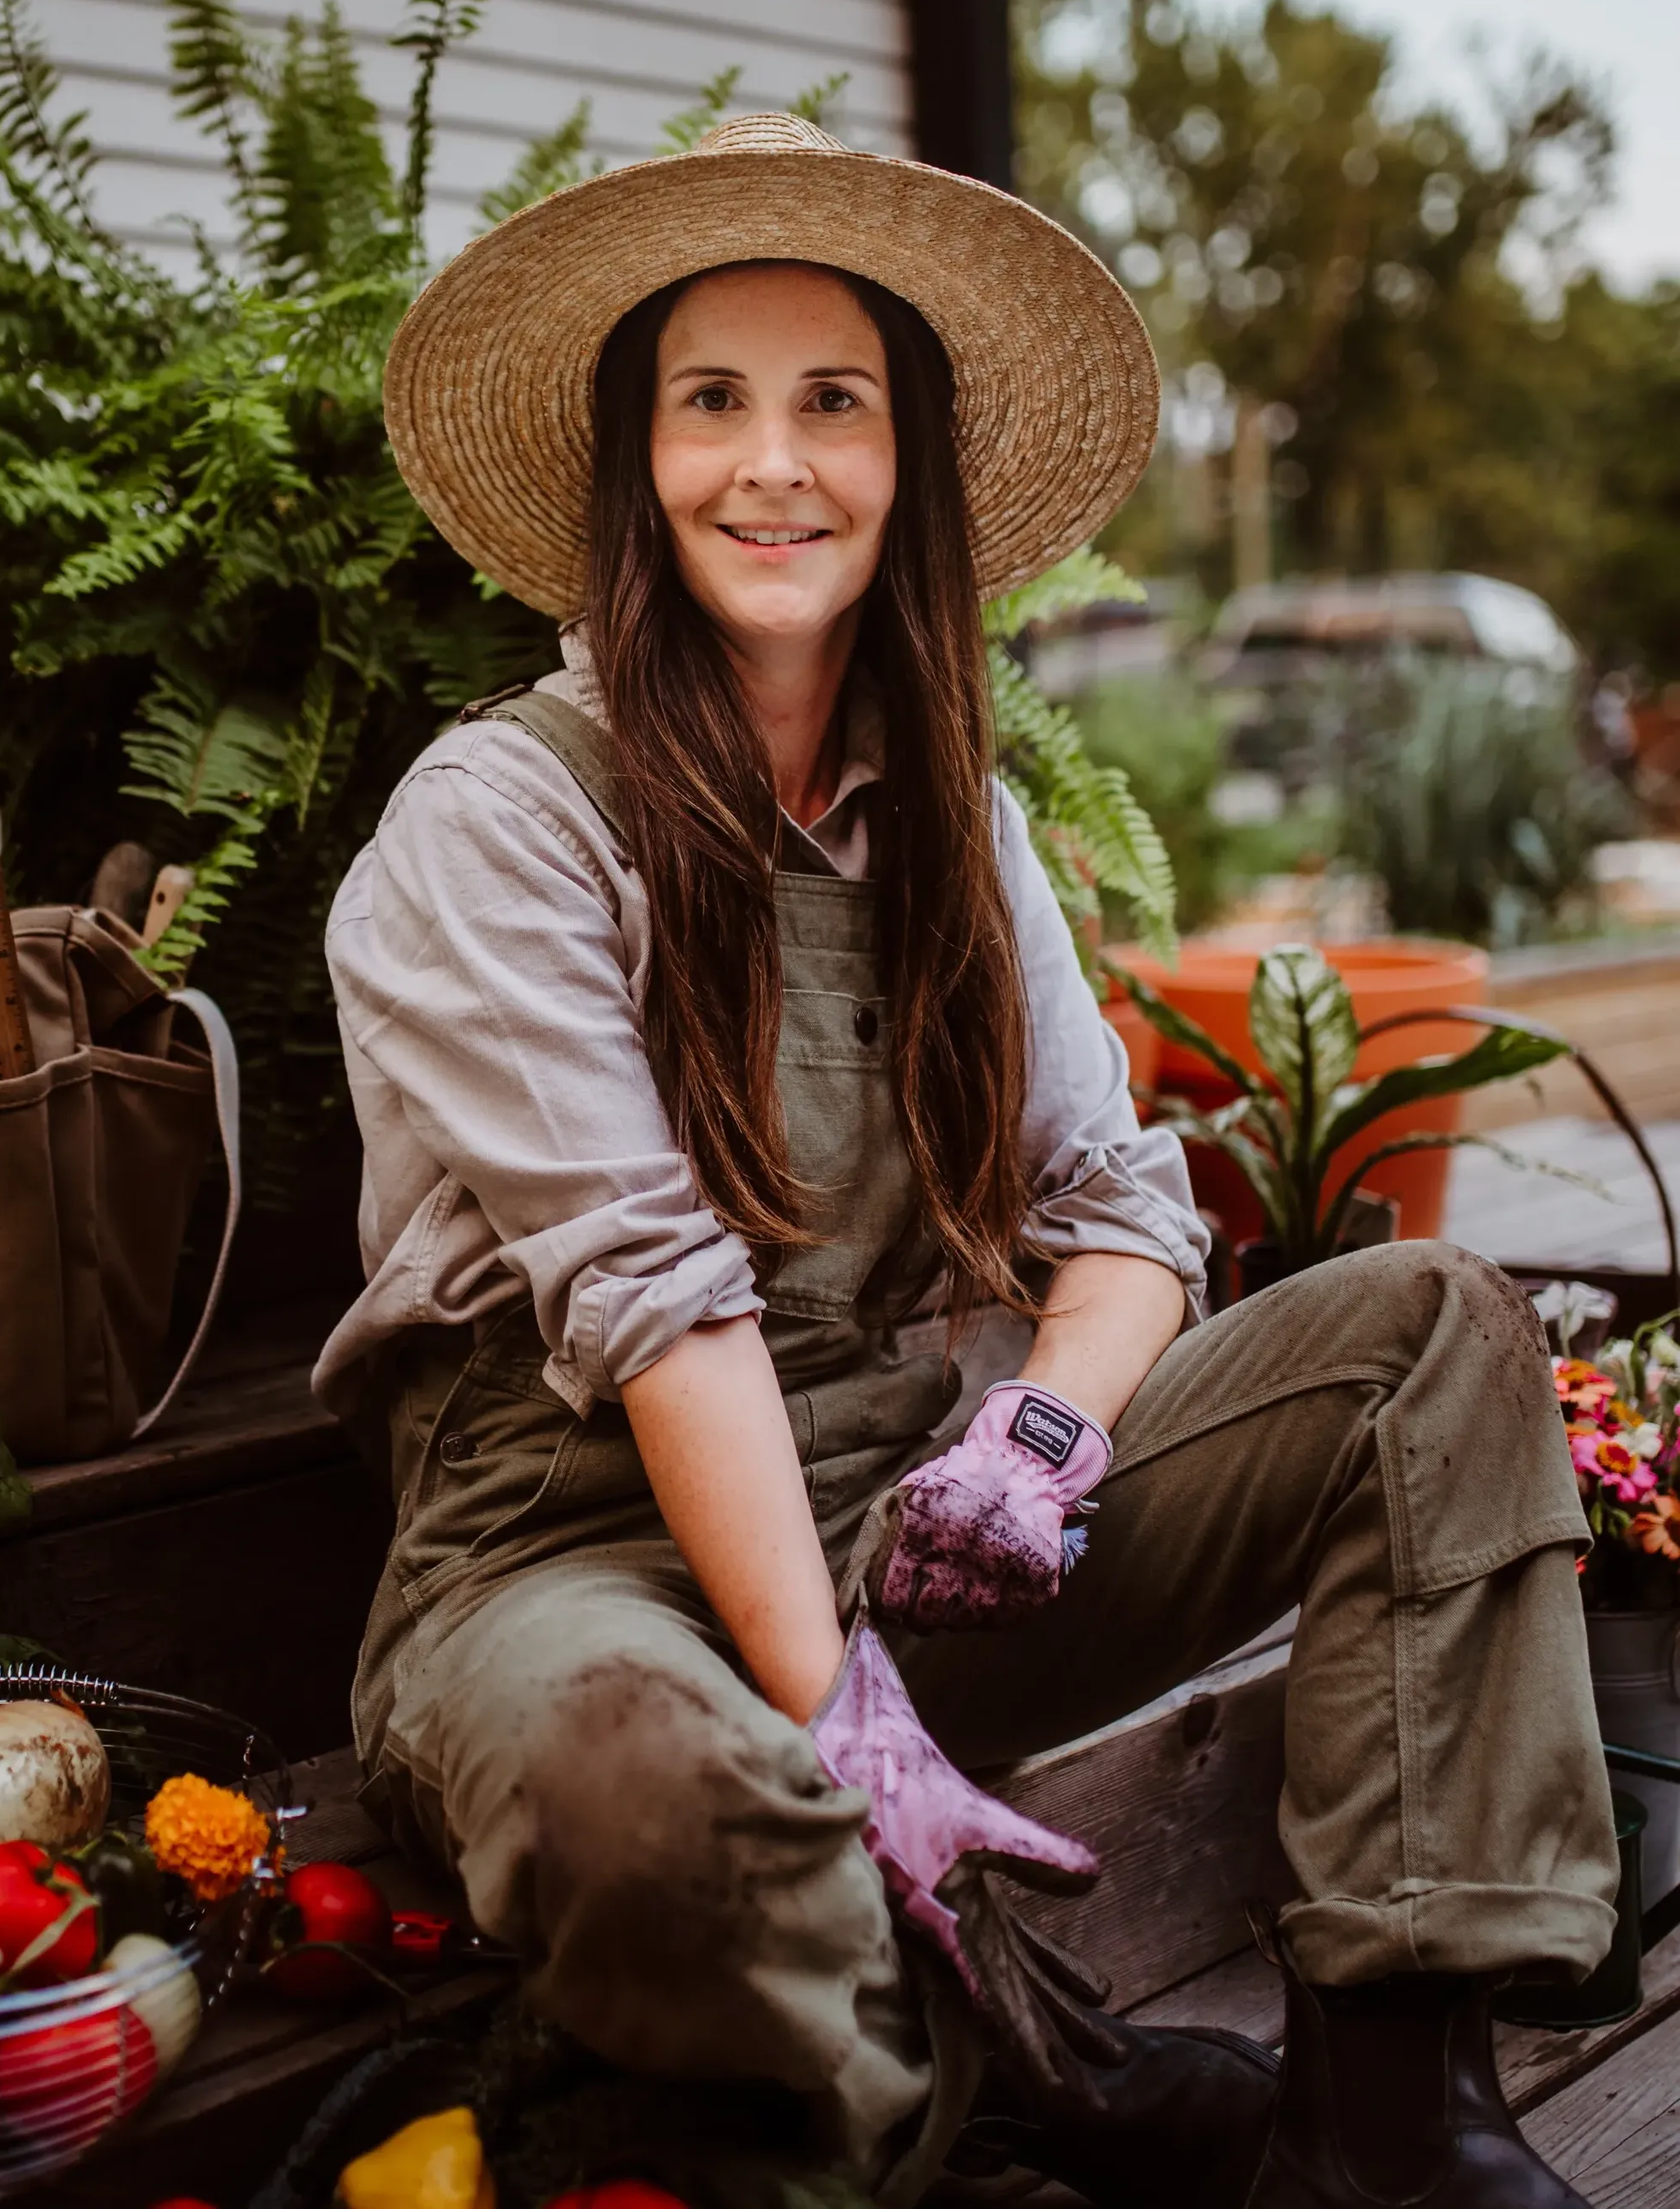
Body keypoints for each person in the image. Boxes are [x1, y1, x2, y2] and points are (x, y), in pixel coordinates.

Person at [316, 113, 1616, 2209]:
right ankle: (1011, 2098)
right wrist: (850, 1719)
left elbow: (1116, 1212)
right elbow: (657, 1302)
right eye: (708, 403)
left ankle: (1389, 2107)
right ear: (626, 469)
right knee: (646, 1804)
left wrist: (1039, 1448)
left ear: (905, 455)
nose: (772, 464)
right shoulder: (500, 824)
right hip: (572, 1563)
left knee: (1423, 1339)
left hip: (904, 1525)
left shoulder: (957, 817)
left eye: (831, 402)